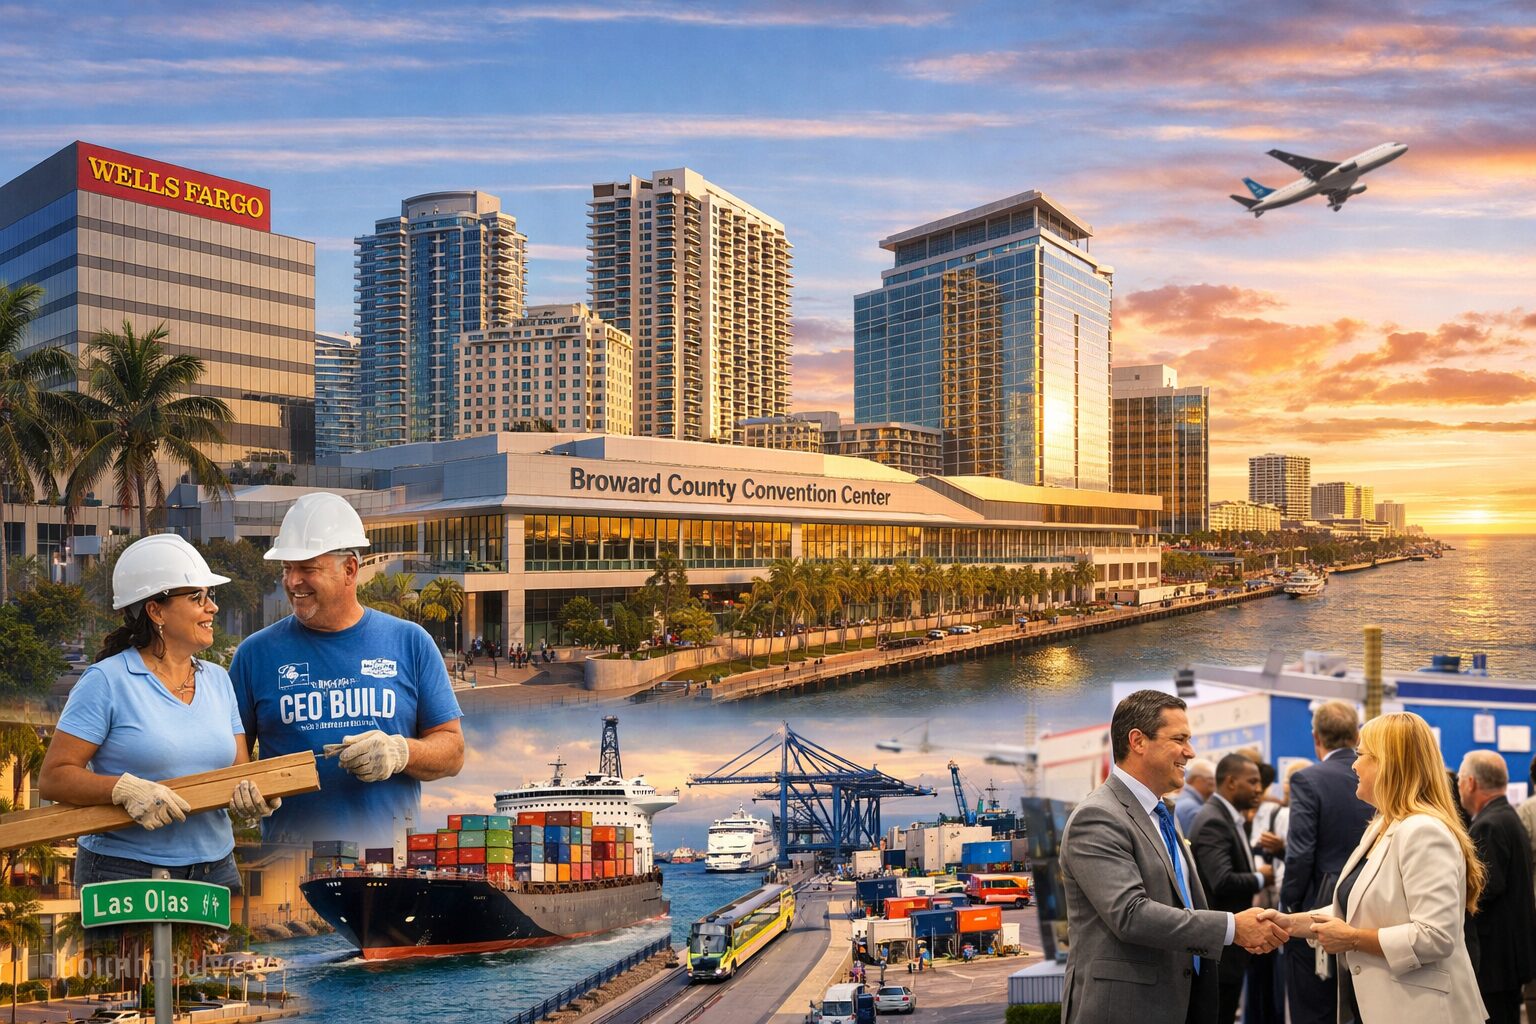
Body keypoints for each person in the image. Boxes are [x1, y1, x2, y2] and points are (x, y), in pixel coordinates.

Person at [39, 535, 279, 888]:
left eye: (210, 597)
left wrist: (260, 796)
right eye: (197, 598)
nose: (211, 608)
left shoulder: (218, 681)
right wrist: (123, 789)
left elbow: (237, 773)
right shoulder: (107, 681)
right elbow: (53, 777)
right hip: (124, 871)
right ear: (156, 611)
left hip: (215, 868)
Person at [230, 492, 465, 849]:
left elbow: (453, 751)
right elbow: (232, 765)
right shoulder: (254, 655)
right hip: (289, 871)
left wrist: (401, 753)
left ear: (350, 570)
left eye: (307, 568)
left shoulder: (410, 643)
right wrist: (243, 794)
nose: (293, 582)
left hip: (388, 866)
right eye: (286, 569)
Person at [1059, 689, 1288, 1024]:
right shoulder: (1098, 816)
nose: (1190, 752)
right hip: (1128, 1009)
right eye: (1180, 739)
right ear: (1137, 741)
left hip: (1183, 1001)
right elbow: (1131, 914)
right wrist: (1232, 928)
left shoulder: (1162, 812)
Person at [1260, 712, 1487, 1024]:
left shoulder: (1423, 831)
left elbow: (1436, 936)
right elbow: (1357, 907)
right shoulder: (1382, 824)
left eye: (1361, 754)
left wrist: (1353, 939)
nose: (1354, 765)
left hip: (1423, 1010)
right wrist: (1289, 924)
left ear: (1388, 763)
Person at [1279, 700, 1374, 1024]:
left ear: (1316, 737)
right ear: (1356, 733)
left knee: (1314, 1009)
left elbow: (1301, 853)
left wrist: (1289, 907)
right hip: (1372, 910)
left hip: (1319, 908)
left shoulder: (1308, 779)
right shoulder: (1378, 776)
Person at [1191, 754, 1274, 1024]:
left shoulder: (1227, 817)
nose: (1258, 789)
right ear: (1230, 782)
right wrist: (1262, 878)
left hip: (1229, 949)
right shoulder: (1214, 820)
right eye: (1252, 782)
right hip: (1221, 950)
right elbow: (1222, 880)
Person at [1458, 750, 1535, 1023]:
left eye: (1459, 782)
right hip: (1509, 953)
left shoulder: (1489, 825)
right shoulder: (1507, 816)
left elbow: (1485, 889)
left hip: (1495, 958)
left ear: (1471, 783)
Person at [1177, 758, 1218, 834]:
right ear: (1198, 780)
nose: (1215, 786)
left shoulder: (1185, 801)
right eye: (1211, 780)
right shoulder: (1191, 808)